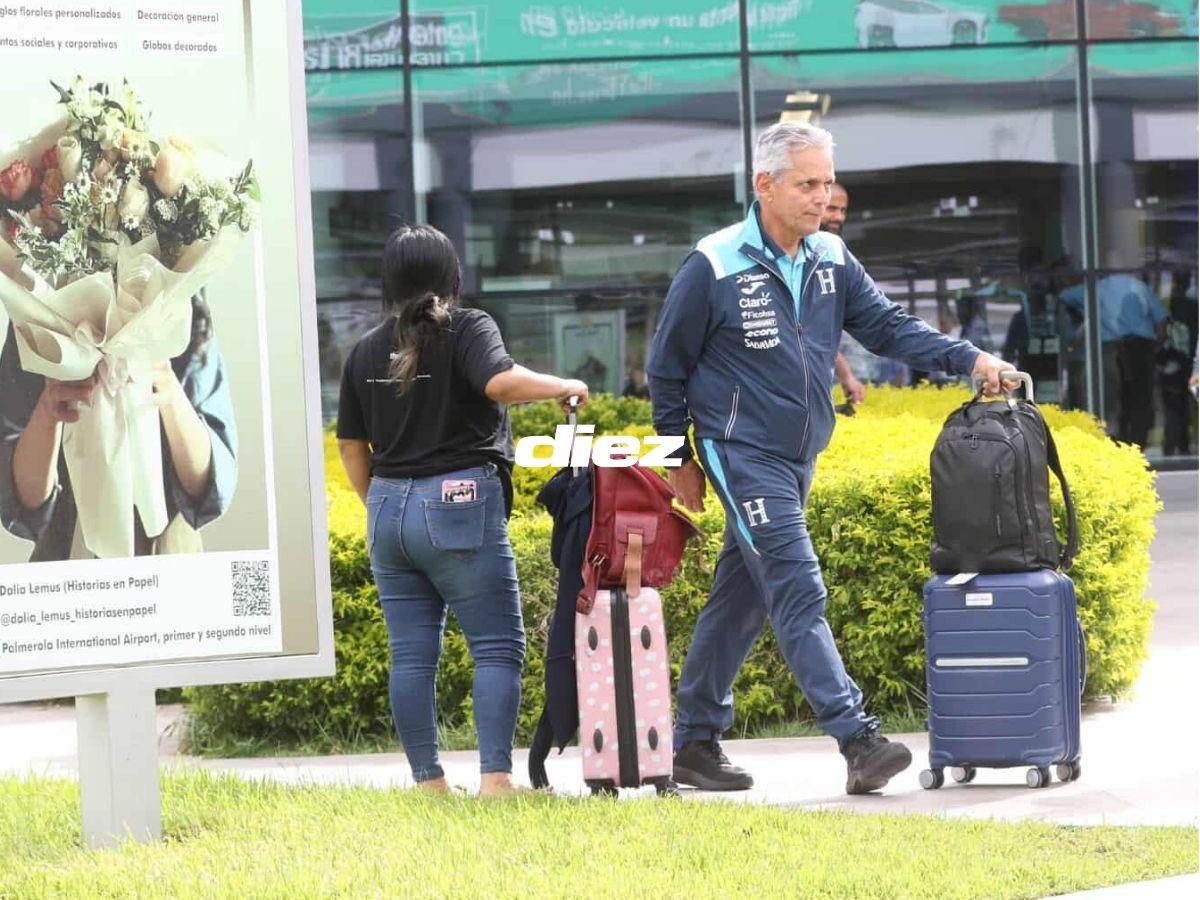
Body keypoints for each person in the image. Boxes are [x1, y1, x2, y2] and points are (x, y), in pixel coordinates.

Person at [646, 122, 1012, 795]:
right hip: (740, 453)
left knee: (743, 600)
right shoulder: (714, 263)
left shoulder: (831, 259)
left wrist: (971, 358)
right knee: (795, 580)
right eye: (807, 184)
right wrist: (680, 459)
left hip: (798, 457)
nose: (823, 197)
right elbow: (665, 368)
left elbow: (890, 327)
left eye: (826, 183)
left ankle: (693, 743)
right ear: (765, 185)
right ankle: (857, 737)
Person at [336, 224, 589, 797]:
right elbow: (499, 383)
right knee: (498, 646)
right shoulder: (469, 325)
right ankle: (496, 780)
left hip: (386, 510)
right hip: (457, 501)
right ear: (454, 276)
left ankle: (429, 784)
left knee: (411, 656)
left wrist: (383, 503)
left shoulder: (365, 349)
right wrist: (563, 384)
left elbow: (351, 447)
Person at [0, 294, 237, 560]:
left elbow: (208, 486)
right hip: (66, 564)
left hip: (170, 563)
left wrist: (167, 391)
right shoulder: (35, 310)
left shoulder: (182, 304)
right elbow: (20, 501)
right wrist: (49, 411)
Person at [820, 182, 868, 404]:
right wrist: (846, 374)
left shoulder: (836, 256)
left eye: (843, 210)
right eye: (831, 208)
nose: (838, 217)